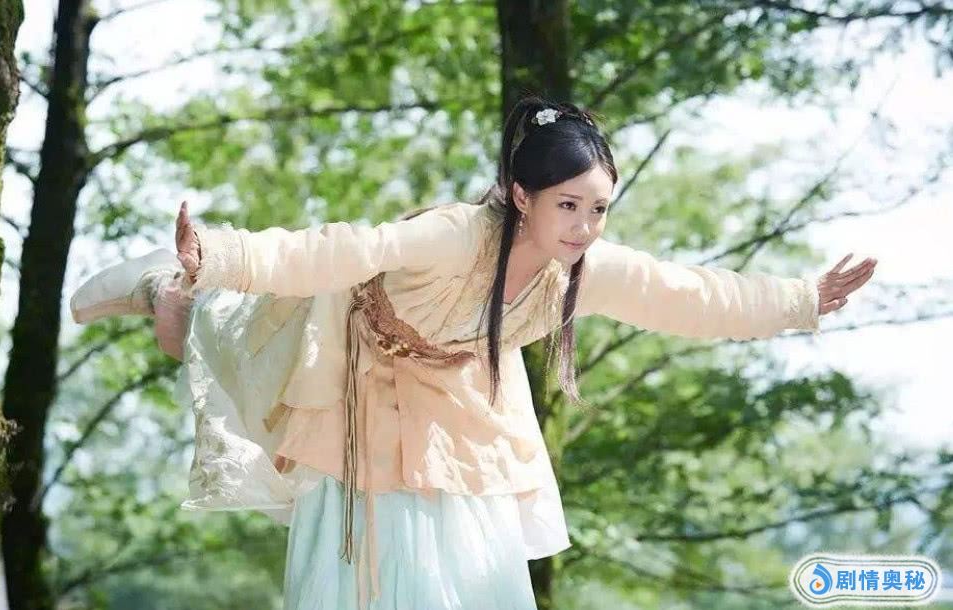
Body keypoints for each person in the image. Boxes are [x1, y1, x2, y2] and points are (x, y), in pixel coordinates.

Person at [68, 95, 877, 610]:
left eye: (598, 209)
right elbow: (339, 249)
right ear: (521, 196)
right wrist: (221, 251)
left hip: (456, 406)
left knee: (468, 570)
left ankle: (186, 288)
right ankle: (169, 285)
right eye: (568, 205)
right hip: (358, 369)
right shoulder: (456, 236)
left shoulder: (581, 267)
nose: (583, 227)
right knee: (234, 322)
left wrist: (801, 299)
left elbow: (688, 295)